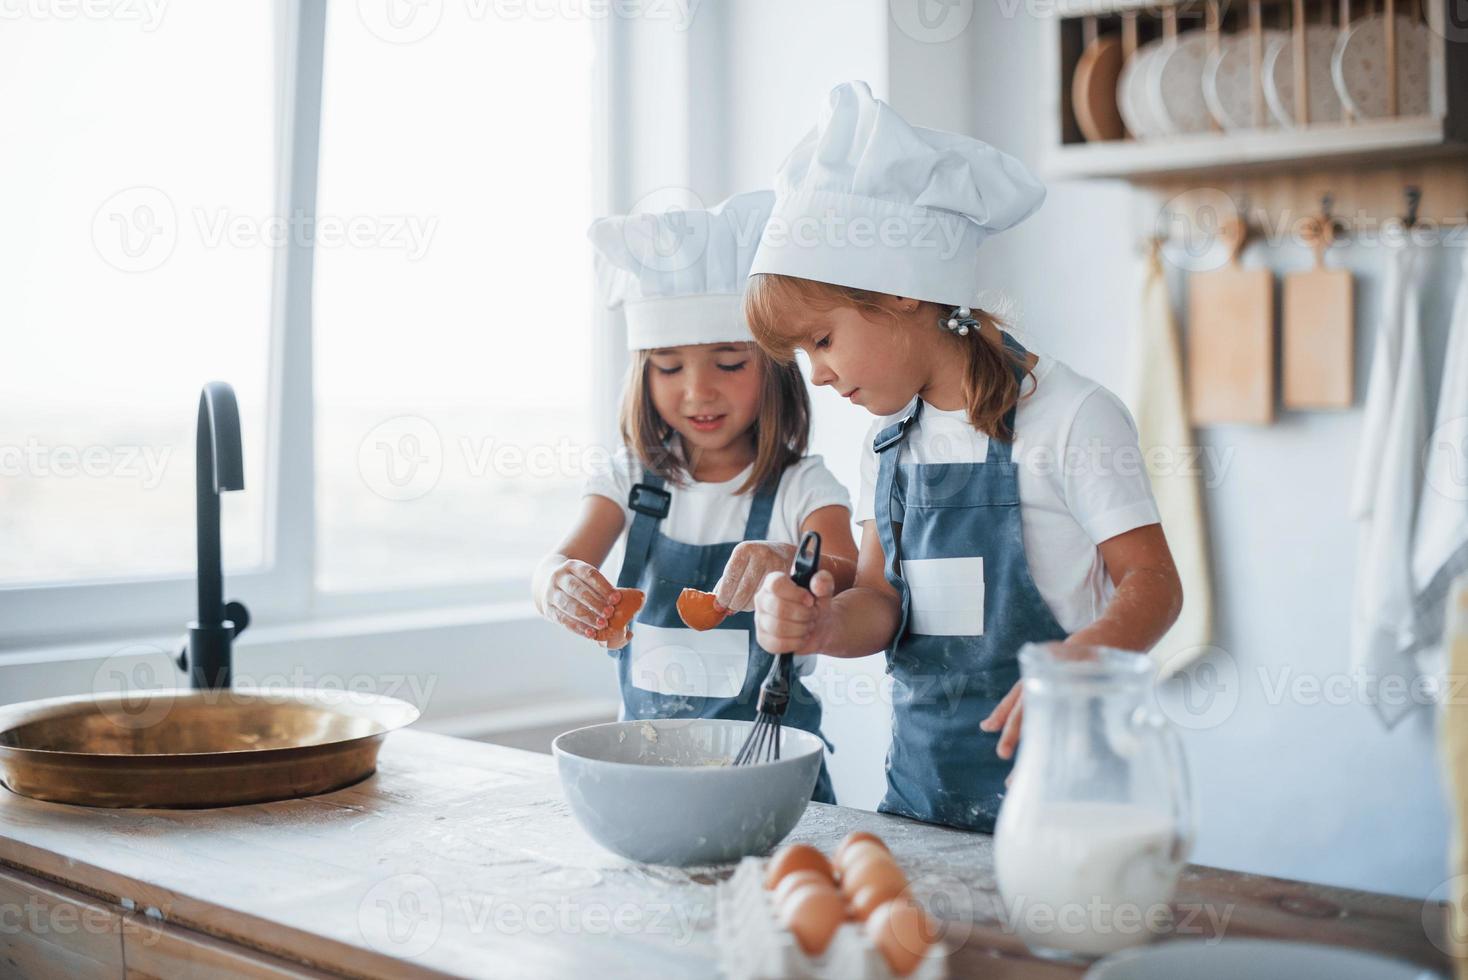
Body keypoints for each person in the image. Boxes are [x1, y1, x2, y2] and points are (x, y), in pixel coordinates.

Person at [746, 83, 1183, 831]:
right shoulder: (888, 440)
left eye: (821, 340)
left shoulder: (1072, 416)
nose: (814, 373)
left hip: (1065, 807)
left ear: (903, 292)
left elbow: (1155, 583)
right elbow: (881, 604)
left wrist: (1082, 663)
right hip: (922, 802)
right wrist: (822, 628)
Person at [532, 190, 858, 803]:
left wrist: (794, 563)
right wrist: (558, 585)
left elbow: (850, 574)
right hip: (651, 784)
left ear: (774, 371)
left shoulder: (802, 487)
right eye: (668, 366)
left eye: (730, 363)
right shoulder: (627, 480)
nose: (698, 392)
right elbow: (555, 562)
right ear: (642, 372)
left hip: (778, 784)